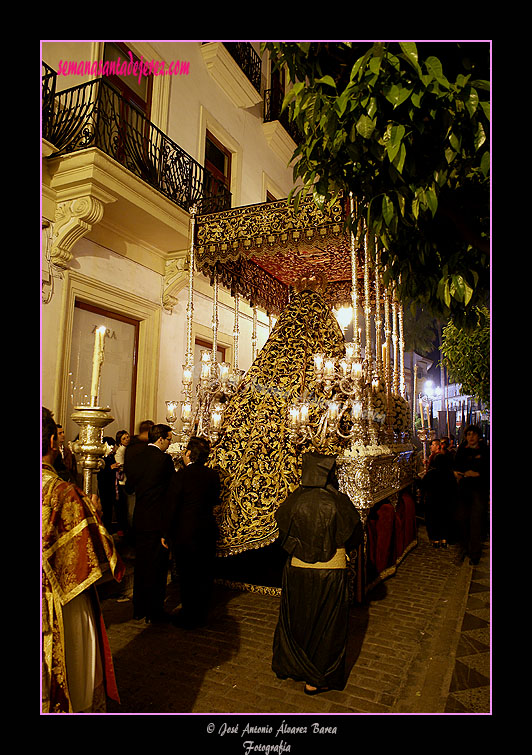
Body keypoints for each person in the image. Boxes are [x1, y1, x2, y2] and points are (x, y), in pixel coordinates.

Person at [42, 407, 124, 713]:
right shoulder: (62, 493)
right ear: (53, 442)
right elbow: (96, 553)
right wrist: (95, 515)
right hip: (57, 602)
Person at [272, 452, 363, 695]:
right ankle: (317, 677)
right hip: (330, 571)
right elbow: (355, 536)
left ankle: (293, 664)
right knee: (328, 625)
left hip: (298, 570)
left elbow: (281, 534)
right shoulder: (338, 501)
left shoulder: (293, 500)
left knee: (297, 620)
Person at [162, 436, 220, 629]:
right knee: (204, 571)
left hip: (185, 531)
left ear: (188, 454)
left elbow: (172, 506)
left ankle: (189, 614)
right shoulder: (213, 475)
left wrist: (165, 533)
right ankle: (201, 611)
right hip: (207, 528)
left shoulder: (181, 476)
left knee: (187, 574)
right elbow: (214, 500)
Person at [125, 423, 175, 623]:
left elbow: (129, 487)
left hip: (140, 517)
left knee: (142, 565)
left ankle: (139, 607)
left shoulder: (136, 457)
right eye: (169, 439)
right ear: (160, 438)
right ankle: (155, 611)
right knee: (158, 567)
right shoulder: (164, 460)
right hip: (157, 520)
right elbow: (171, 493)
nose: (170, 444)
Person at [453, 425, 489, 565]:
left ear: (478, 436)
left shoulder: (485, 450)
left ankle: (475, 553)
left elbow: (487, 470)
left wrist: (477, 474)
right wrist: (457, 473)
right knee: (462, 519)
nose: (471, 437)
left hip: (479, 490)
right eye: (468, 434)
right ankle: (463, 549)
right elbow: (456, 466)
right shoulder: (462, 449)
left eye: (473, 434)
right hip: (464, 489)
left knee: (476, 521)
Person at [113, 430, 131, 536]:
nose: (127, 439)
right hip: (122, 481)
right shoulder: (121, 450)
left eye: (128, 437)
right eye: (124, 438)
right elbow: (120, 465)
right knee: (123, 506)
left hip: (127, 480)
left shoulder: (128, 449)